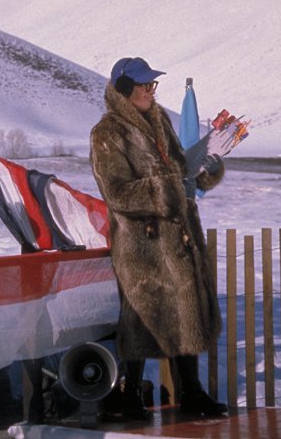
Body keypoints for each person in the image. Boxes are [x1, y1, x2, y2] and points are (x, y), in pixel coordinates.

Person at [90, 56, 227, 419]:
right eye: (144, 86)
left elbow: (183, 170)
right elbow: (117, 192)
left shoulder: (160, 122)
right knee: (142, 320)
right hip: (142, 244)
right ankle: (130, 396)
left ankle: (193, 394)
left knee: (186, 313)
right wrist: (166, 190)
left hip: (178, 237)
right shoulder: (107, 133)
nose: (151, 92)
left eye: (153, 85)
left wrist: (206, 171)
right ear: (123, 91)